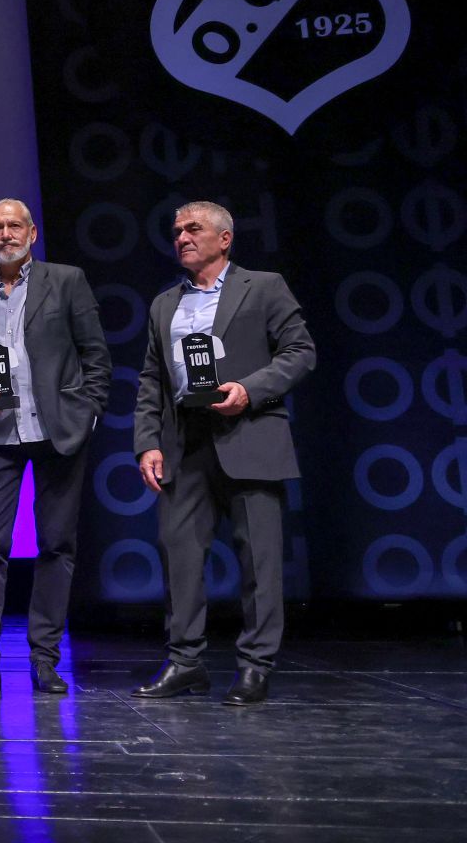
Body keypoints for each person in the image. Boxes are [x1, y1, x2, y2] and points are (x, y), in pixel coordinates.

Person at [132, 201, 316, 706]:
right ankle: (185, 662)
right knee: (179, 555)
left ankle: (255, 665)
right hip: (184, 442)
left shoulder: (265, 286)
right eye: (177, 231)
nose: (182, 238)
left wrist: (249, 390)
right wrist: (147, 441)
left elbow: (300, 352)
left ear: (225, 238)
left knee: (259, 559)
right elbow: (151, 379)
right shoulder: (164, 304)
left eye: (193, 229)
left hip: (248, 433)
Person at [0, 199, 111, 695]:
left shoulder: (67, 280)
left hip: (58, 433)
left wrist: (88, 411)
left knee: (56, 545)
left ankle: (45, 659)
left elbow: (96, 355)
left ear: (32, 233)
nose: (6, 234)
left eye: (15, 225)